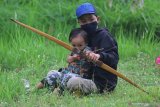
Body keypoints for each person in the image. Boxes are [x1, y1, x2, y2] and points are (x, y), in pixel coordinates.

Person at [67, 2, 119, 93]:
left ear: (97, 19)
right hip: (84, 76)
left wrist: (99, 56)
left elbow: (114, 58)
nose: (88, 23)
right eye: (83, 21)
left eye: (91, 19)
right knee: (54, 73)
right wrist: (72, 58)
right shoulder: (82, 38)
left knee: (72, 82)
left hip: (101, 83)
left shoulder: (104, 36)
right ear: (78, 22)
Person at [36, 28, 97, 95]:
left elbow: (89, 53)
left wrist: (88, 55)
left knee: (67, 78)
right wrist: (73, 58)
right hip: (66, 72)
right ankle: (35, 89)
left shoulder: (86, 50)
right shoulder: (73, 51)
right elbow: (68, 59)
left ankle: (58, 92)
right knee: (53, 74)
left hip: (78, 76)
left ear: (86, 44)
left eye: (80, 45)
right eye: (74, 45)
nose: (77, 48)